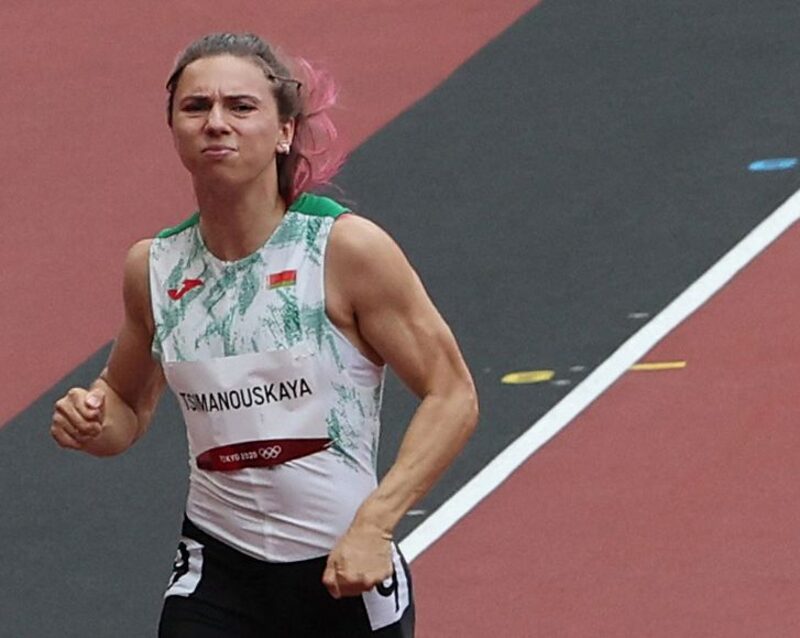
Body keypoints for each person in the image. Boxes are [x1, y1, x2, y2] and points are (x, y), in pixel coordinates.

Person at [50, 32, 478, 638]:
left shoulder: (343, 250)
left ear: (284, 131)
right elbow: (125, 405)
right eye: (195, 107)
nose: (216, 122)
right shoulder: (155, 267)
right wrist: (92, 421)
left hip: (341, 567)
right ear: (173, 128)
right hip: (218, 568)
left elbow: (452, 394)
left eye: (241, 106)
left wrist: (375, 525)